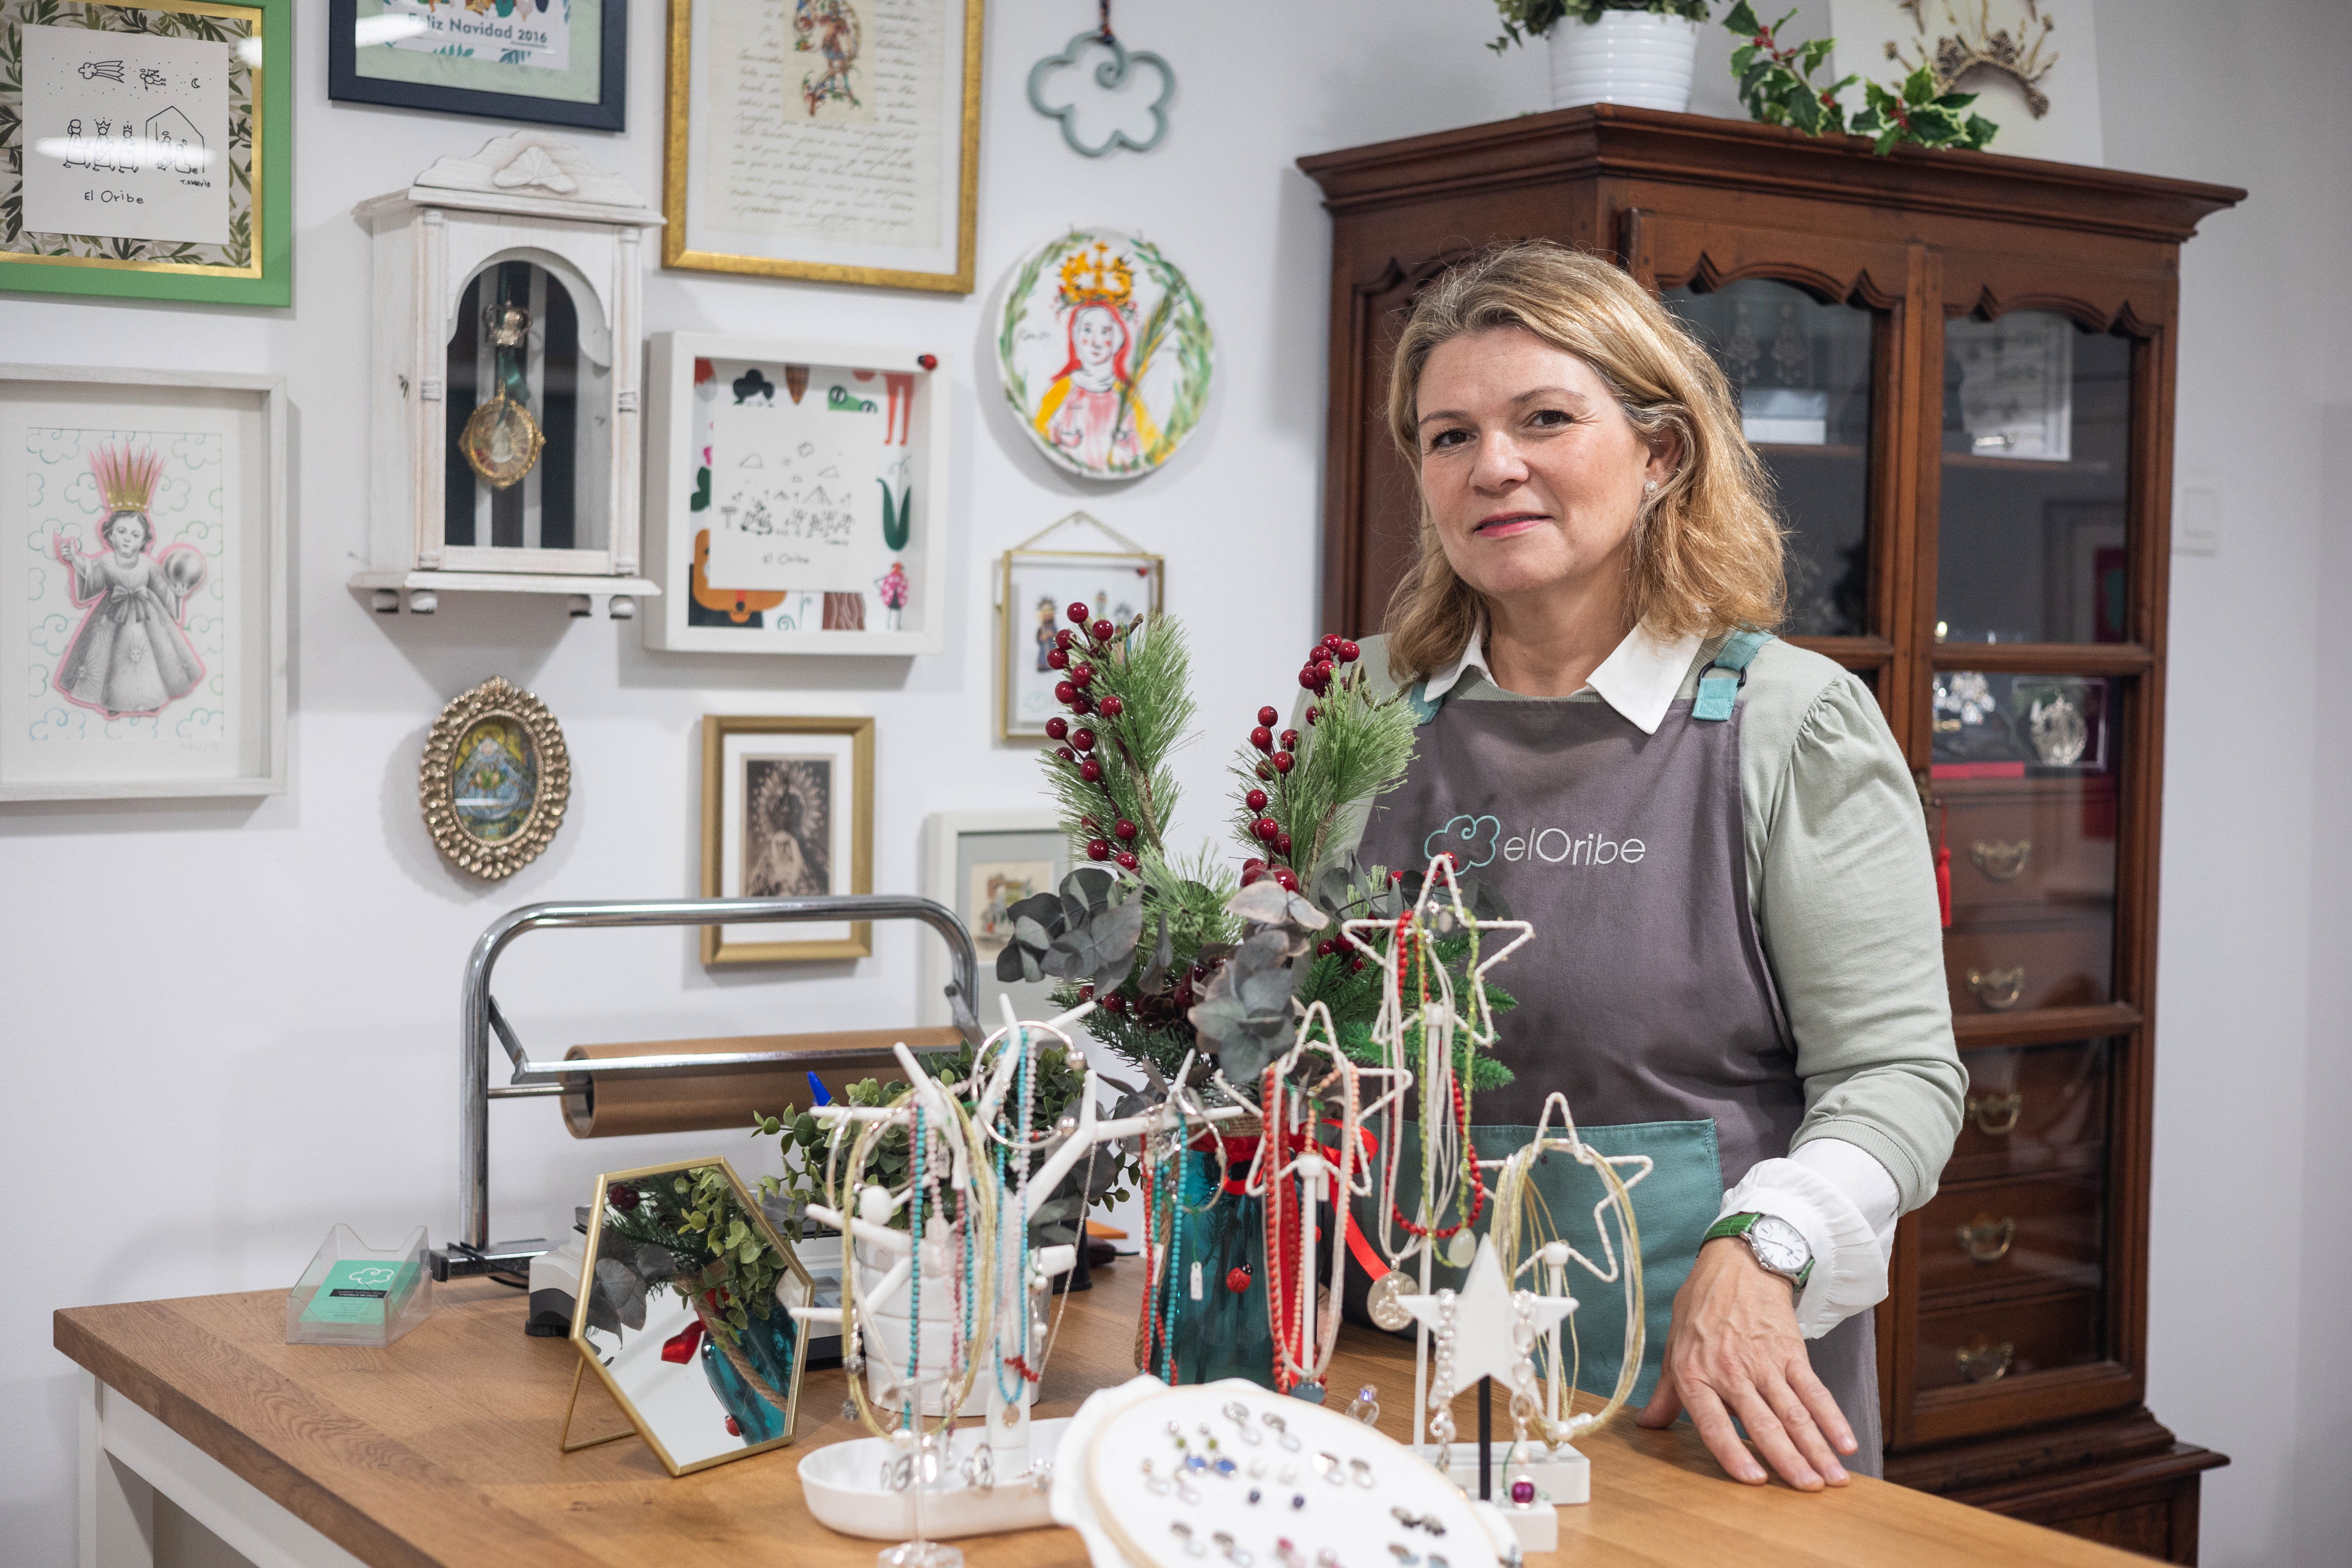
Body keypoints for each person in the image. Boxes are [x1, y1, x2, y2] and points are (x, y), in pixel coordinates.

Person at [1344, 241, 1962, 1490]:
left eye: (1545, 419)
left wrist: (1763, 1249)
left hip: (1694, 1399)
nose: (1493, 466)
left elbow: (1899, 1077)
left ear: (1663, 451)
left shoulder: (1792, 721)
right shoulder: (1362, 709)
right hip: (1398, 1372)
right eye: (1449, 436)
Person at [52, 445, 205, 719]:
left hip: (149, 620)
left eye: (135, 535)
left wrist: (179, 594)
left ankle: (153, 698)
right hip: (111, 620)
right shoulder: (106, 561)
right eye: (121, 532)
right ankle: (114, 702)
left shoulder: (149, 565)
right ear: (110, 535)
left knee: (151, 659)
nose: (127, 539)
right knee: (111, 661)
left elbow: (163, 589)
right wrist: (75, 558)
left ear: (145, 540)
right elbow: (93, 578)